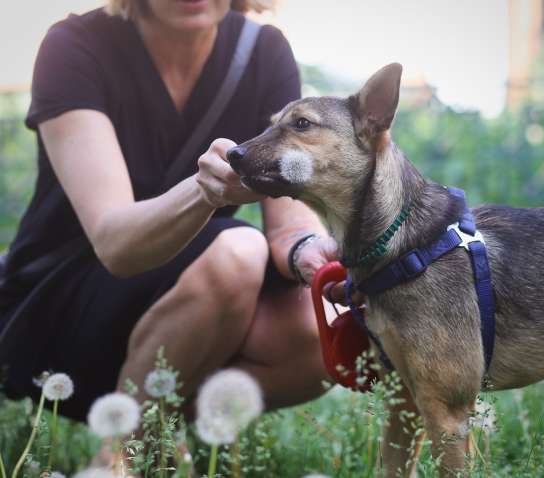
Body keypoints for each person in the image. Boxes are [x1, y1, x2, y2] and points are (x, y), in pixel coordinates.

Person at [0, 0, 338, 423]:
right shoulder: (74, 47)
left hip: (195, 311)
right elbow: (114, 244)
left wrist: (307, 250)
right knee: (238, 252)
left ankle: (155, 430)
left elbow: (289, 222)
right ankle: (121, 457)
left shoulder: (264, 52)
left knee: (316, 327)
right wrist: (205, 192)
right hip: (64, 302)